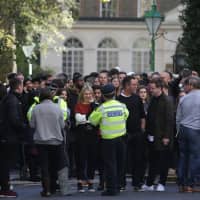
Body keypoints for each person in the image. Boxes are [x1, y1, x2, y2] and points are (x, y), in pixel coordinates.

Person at [89, 84, 129, 196]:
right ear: (114, 94)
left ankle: (111, 189)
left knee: (110, 165)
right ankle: (119, 185)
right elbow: (126, 115)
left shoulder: (102, 108)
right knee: (120, 164)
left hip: (108, 141)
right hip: (121, 139)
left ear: (103, 96)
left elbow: (92, 120)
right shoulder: (122, 106)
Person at [30, 88, 70, 197]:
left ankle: (46, 190)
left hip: (41, 141)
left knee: (44, 166)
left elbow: (32, 125)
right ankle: (55, 186)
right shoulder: (57, 108)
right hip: (56, 141)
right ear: (51, 97)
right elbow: (62, 125)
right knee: (55, 164)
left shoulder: (36, 108)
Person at [142, 78, 174, 192]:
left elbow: (169, 120)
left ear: (160, 88)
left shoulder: (167, 101)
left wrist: (166, 136)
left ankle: (162, 183)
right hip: (151, 134)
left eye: (153, 88)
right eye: (150, 88)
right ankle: (150, 183)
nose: (151, 90)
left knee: (163, 160)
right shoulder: (152, 99)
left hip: (162, 136)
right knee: (152, 160)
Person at [117, 76, 146, 191]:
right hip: (123, 134)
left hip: (137, 134)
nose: (136, 87)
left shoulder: (137, 98)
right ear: (127, 86)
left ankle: (137, 183)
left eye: (136, 84)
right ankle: (121, 184)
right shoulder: (118, 100)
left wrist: (142, 129)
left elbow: (142, 116)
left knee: (138, 159)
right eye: (134, 84)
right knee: (122, 159)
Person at [0, 78, 27, 198]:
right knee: (5, 163)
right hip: (9, 136)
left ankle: (4, 186)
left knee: (4, 163)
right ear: (19, 87)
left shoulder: (8, 98)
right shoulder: (13, 100)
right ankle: (5, 188)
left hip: (6, 135)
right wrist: (24, 127)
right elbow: (14, 120)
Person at [176, 76, 200, 193]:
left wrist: (178, 131)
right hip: (195, 130)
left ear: (191, 85)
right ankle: (191, 184)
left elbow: (178, 117)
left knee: (183, 157)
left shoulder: (183, 99)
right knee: (194, 157)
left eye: (185, 85)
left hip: (183, 129)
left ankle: (182, 184)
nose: (183, 87)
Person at [74, 84, 98, 193]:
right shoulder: (78, 105)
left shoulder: (95, 105)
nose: (88, 96)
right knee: (81, 158)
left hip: (93, 135)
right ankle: (80, 181)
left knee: (92, 158)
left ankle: (90, 182)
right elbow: (78, 119)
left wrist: (87, 118)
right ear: (82, 94)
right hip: (81, 135)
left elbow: (96, 120)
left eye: (90, 94)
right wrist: (89, 119)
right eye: (86, 94)